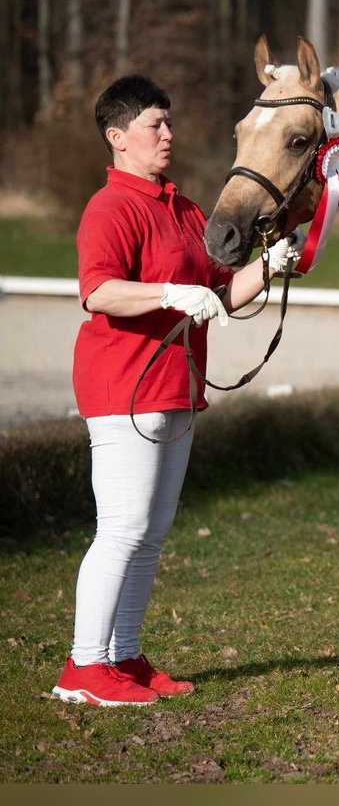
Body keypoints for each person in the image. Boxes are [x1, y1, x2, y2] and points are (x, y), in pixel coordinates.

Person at [52, 74, 303, 706]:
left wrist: (266, 268)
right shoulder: (110, 208)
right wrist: (167, 294)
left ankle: (126, 658)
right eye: (153, 125)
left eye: (168, 123)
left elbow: (217, 295)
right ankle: (83, 669)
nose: (168, 134)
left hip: (177, 389)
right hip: (122, 387)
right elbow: (97, 290)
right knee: (122, 529)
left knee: (151, 531)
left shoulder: (186, 209)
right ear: (117, 138)